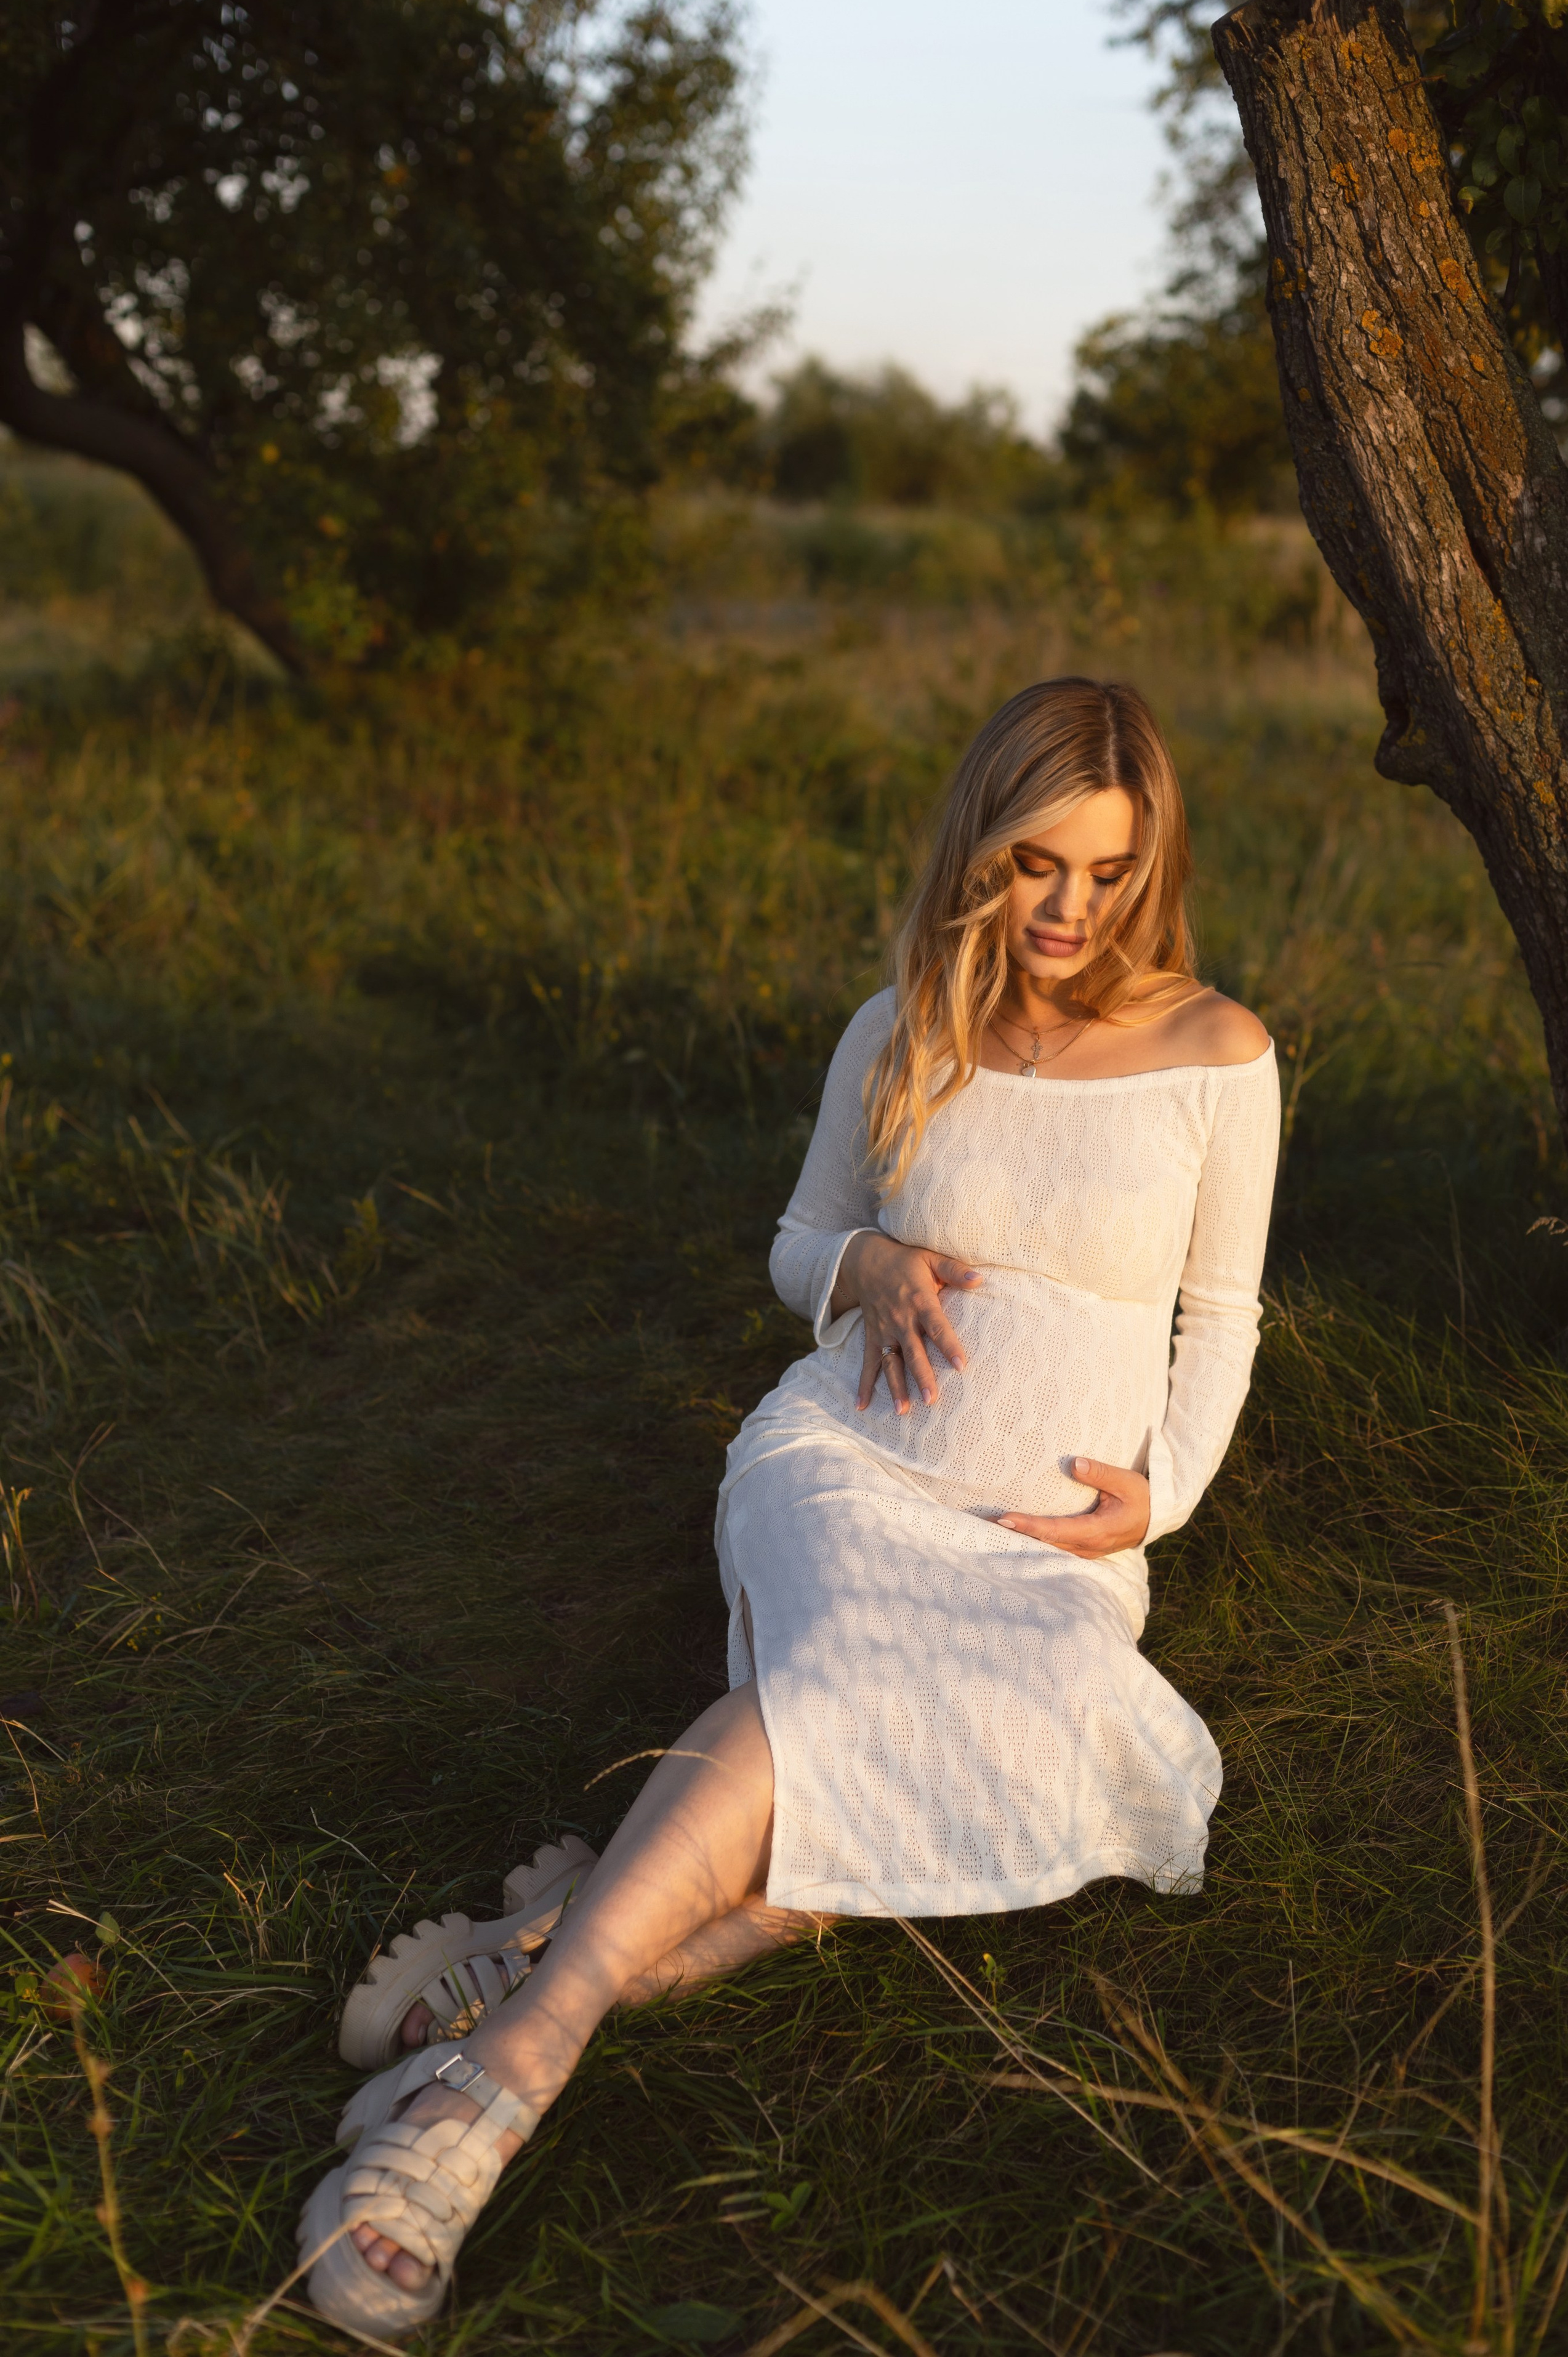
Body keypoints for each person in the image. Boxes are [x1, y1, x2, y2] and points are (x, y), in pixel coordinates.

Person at [298, 675, 1279, 2337]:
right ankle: (486, 2111)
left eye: (1108, 873)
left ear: (1149, 868)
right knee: (836, 1714)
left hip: (1039, 1541)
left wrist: (1160, 1501)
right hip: (853, 1468)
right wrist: (870, 1262)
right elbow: (795, 1245)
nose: (1068, 906)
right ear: (983, 841)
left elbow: (1223, 1320)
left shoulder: (1217, 1052)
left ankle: (548, 1952)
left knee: (964, 1744)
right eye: (1040, 862)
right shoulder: (902, 1026)